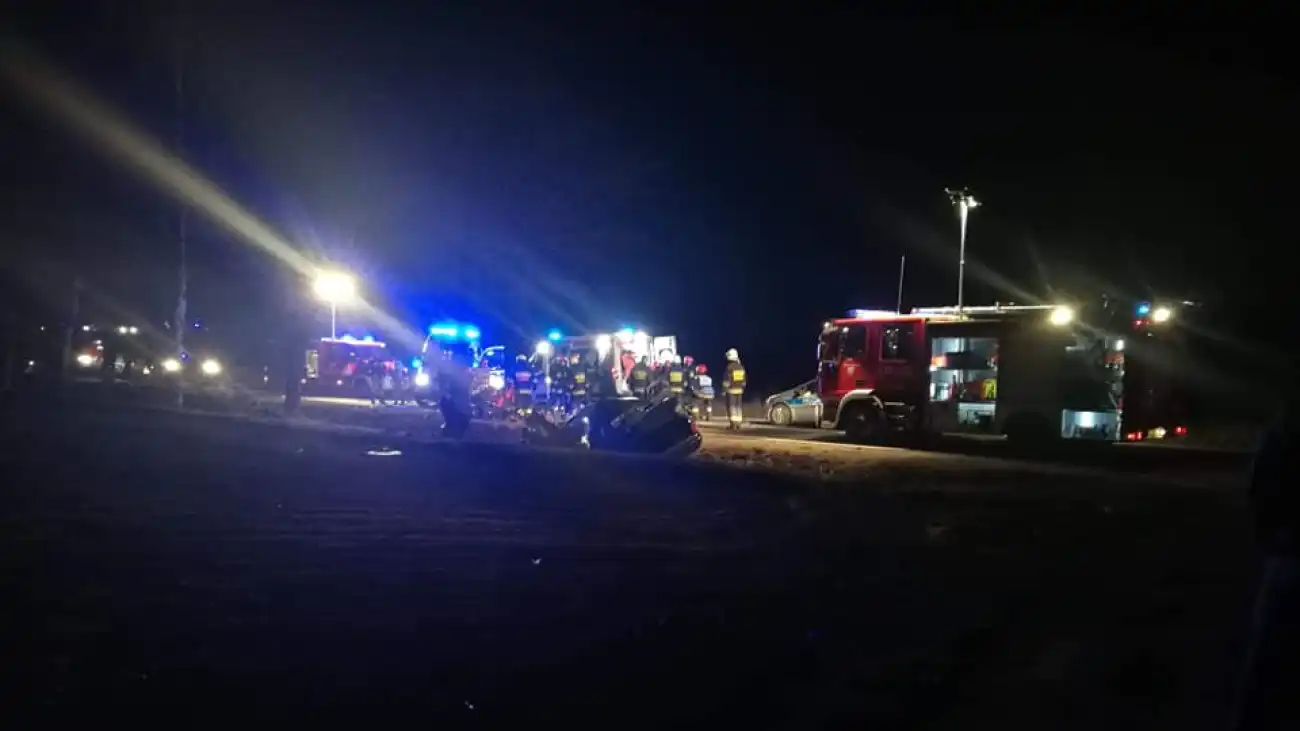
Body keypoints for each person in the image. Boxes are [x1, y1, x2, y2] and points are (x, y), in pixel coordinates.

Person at [1232, 400, 1300, 730]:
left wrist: (1271, 536)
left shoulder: (1286, 429)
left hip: (1287, 557)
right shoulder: (1286, 431)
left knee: (1267, 666)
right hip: (1288, 557)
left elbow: (1260, 490)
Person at [721, 348, 747, 430]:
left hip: (731, 390)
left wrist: (724, 390)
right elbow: (744, 381)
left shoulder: (729, 367)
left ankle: (733, 425)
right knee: (738, 406)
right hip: (740, 390)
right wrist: (742, 388)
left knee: (731, 406)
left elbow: (726, 381)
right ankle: (738, 424)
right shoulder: (741, 367)